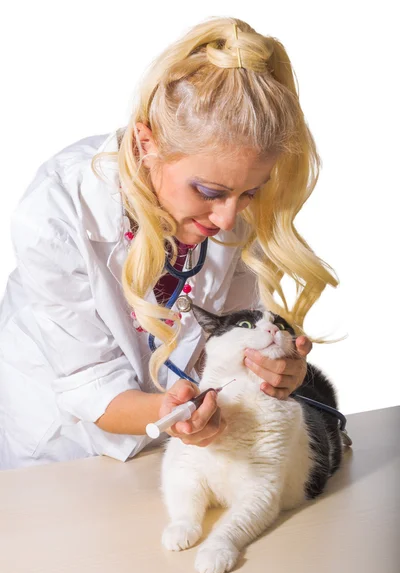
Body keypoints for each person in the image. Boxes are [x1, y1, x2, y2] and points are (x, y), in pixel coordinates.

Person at [0, 17, 339, 470]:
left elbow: (226, 348)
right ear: (146, 142)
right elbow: (87, 381)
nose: (226, 219)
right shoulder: (57, 211)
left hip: (174, 449)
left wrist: (274, 371)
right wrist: (177, 413)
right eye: (209, 191)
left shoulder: (233, 212)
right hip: (61, 447)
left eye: (249, 193)